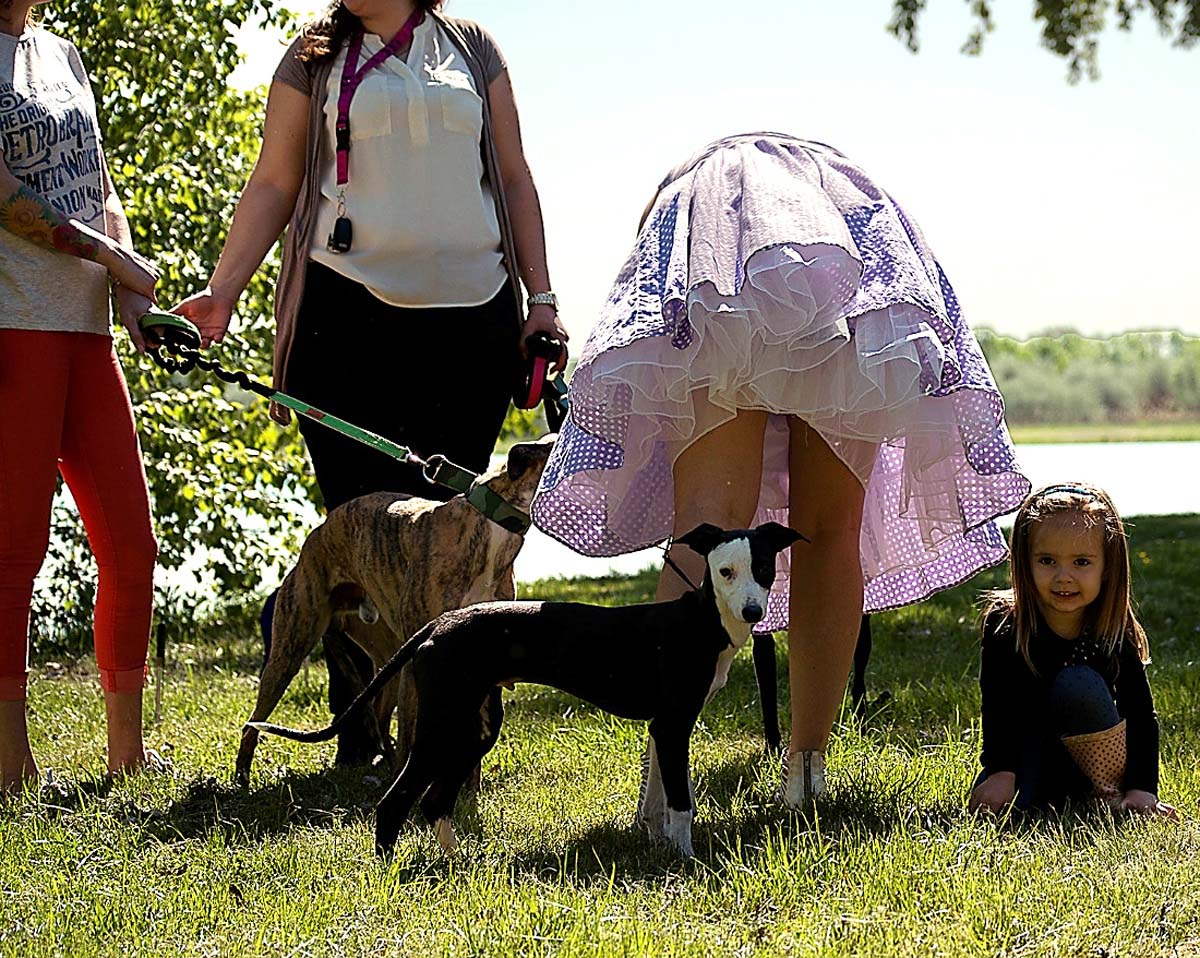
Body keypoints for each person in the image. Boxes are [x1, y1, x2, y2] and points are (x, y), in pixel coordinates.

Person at [532, 132, 1031, 809]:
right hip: (847, 246)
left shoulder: (691, 195)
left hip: (723, 253)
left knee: (705, 531)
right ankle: (807, 769)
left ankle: (661, 769)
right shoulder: (830, 181)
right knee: (830, 530)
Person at [173, 0, 565, 764]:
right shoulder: (313, 54)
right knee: (361, 542)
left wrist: (541, 301)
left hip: (471, 330)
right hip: (344, 327)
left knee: (451, 544)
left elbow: (514, 178)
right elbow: (273, 183)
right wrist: (222, 292)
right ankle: (360, 735)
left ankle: (454, 723)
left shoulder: (472, 46)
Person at [1, 0, 160, 793]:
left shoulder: (61, 53)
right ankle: (8, 761)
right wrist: (113, 259)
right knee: (12, 552)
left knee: (132, 546)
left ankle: (124, 753)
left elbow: (98, 187)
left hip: (87, 331)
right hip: (12, 325)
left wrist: (132, 296)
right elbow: (6, 198)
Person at [968, 483, 1177, 819]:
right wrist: (1000, 773)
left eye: (1081, 562)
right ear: (1025, 561)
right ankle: (1045, 792)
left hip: (1097, 758)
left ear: (1107, 567)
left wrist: (1143, 788)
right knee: (1012, 813)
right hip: (1030, 751)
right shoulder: (1006, 626)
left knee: (1077, 682)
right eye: (1047, 560)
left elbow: (1140, 715)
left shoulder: (1111, 629)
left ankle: (1109, 795)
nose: (1063, 577)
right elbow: (998, 705)